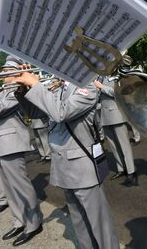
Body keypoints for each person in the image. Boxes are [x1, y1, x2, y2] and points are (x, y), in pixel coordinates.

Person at [15, 64, 120, 249]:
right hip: (64, 166)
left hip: (82, 168)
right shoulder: (59, 88)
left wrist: (37, 85)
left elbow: (61, 113)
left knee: (99, 224)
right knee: (79, 222)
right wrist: (24, 89)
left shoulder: (88, 86)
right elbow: (35, 113)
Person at [0, 56, 43, 246]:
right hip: (1, 145)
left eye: (6, 71)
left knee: (21, 186)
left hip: (12, 144)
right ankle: (19, 221)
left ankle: (33, 223)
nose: (2, 74)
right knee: (11, 189)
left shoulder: (16, 92)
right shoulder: (5, 91)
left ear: (15, 73)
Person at [94, 76, 137, 186]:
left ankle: (131, 172)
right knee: (113, 146)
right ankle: (121, 169)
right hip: (105, 116)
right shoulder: (99, 78)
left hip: (116, 115)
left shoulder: (116, 77)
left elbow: (118, 93)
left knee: (124, 146)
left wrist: (101, 87)